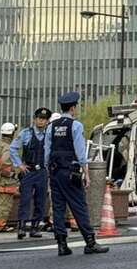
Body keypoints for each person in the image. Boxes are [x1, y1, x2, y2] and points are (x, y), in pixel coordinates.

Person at [44, 92, 109, 256]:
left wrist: (48, 171)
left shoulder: (51, 126)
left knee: (58, 207)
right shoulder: (75, 125)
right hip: (70, 172)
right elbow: (80, 153)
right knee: (79, 206)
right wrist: (86, 173)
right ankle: (90, 242)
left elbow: (47, 151)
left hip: (55, 171)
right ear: (72, 108)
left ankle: (61, 244)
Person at [11, 107, 52, 239]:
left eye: (44, 119)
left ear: (47, 121)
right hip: (29, 171)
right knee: (25, 200)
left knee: (40, 200)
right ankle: (22, 227)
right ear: (35, 119)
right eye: (39, 118)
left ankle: (35, 228)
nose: (41, 121)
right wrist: (19, 165)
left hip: (42, 172)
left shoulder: (49, 135)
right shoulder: (26, 133)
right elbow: (13, 149)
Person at [0, 123, 19, 232]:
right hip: (6, 182)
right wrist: (14, 174)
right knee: (4, 206)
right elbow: (5, 167)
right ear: (12, 134)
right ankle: (0, 226)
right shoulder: (9, 148)